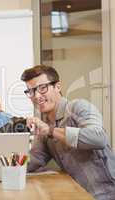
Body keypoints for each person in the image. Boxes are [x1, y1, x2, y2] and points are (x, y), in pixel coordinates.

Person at [21, 65, 115, 200]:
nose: (36, 96)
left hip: (106, 194)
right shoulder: (45, 124)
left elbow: (99, 138)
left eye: (42, 88)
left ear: (57, 86)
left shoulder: (78, 107)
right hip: (77, 194)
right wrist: (7, 163)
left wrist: (51, 131)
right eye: (31, 91)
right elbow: (35, 159)